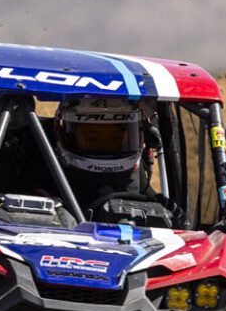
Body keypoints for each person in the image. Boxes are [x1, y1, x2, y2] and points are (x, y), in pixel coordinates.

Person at [52, 96, 166, 224]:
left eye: (116, 139)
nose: (105, 146)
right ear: (63, 135)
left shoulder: (135, 175)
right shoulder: (47, 170)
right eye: (93, 139)